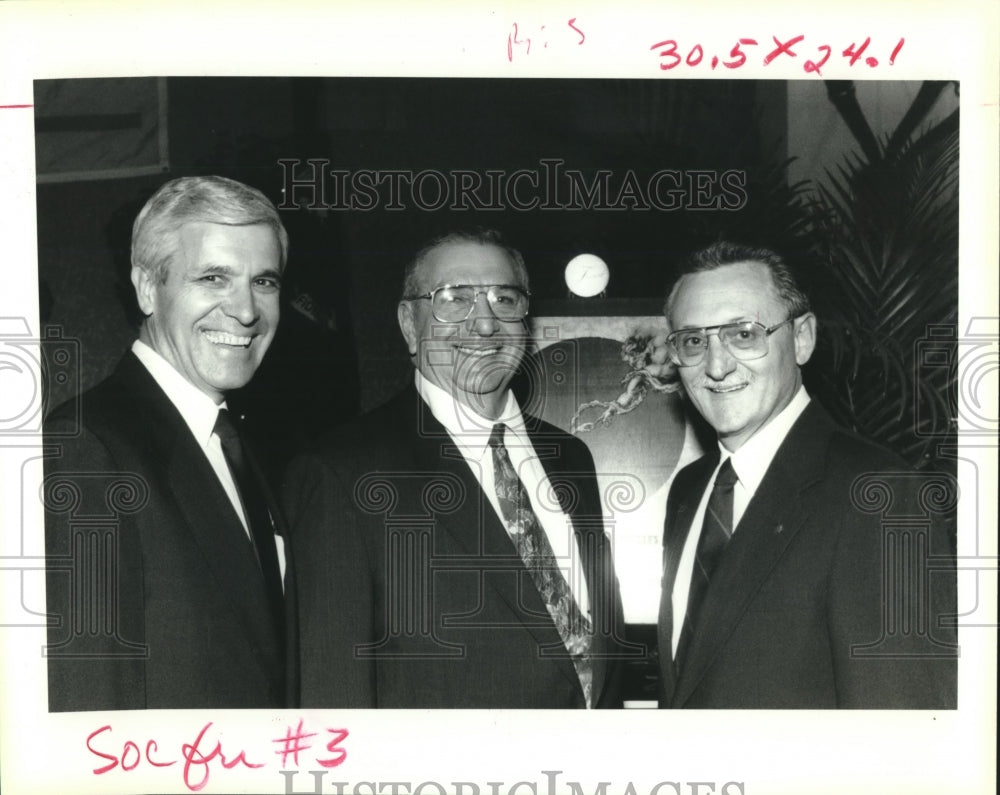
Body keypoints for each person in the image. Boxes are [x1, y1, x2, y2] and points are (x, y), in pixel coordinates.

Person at [285, 229, 626, 708]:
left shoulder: (570, 457)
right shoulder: (342, 473)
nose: (485, 323)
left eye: (504, 299)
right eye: (454, 299)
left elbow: (600, 650)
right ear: (409, 323)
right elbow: (332, 692)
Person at [657, 241, 957, 709]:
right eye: (694, 341)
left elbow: (903, 729)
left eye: (744, 334)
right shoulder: (689, 490)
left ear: (802, 339)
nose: (715, 366)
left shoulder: (877, 494)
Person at [43, 175, 295, 710]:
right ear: (146, 287)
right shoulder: (87, 447)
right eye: (213, 278)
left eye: (265, 282)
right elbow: (87, 700)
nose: (247, 311)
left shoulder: (246, 443)